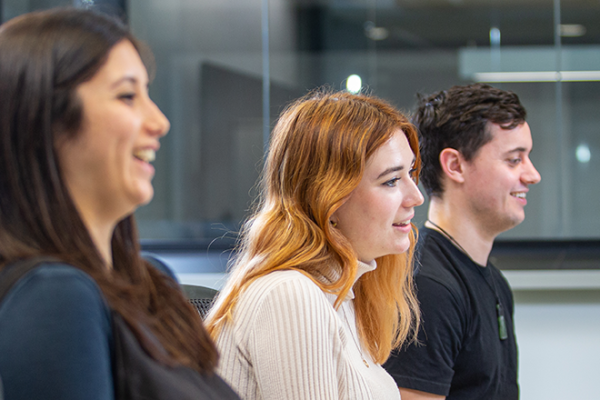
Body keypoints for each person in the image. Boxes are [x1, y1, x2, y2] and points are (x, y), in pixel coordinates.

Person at [0, 8, 238, 400]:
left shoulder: (149, 282)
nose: (159, 121)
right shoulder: (54, 297)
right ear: (45, 121)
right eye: (127, 96)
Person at [204, 90, 425, 400]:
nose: (416, 197)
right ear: (330, 197)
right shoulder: (291, 294)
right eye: (391, 180)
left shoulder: (342, 296)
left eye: (411, 174)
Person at [383, 83, 542, 400]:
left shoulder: (493, 282)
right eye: (514, 160)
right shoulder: (427, 286)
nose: (532, 175)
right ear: (455, 165)